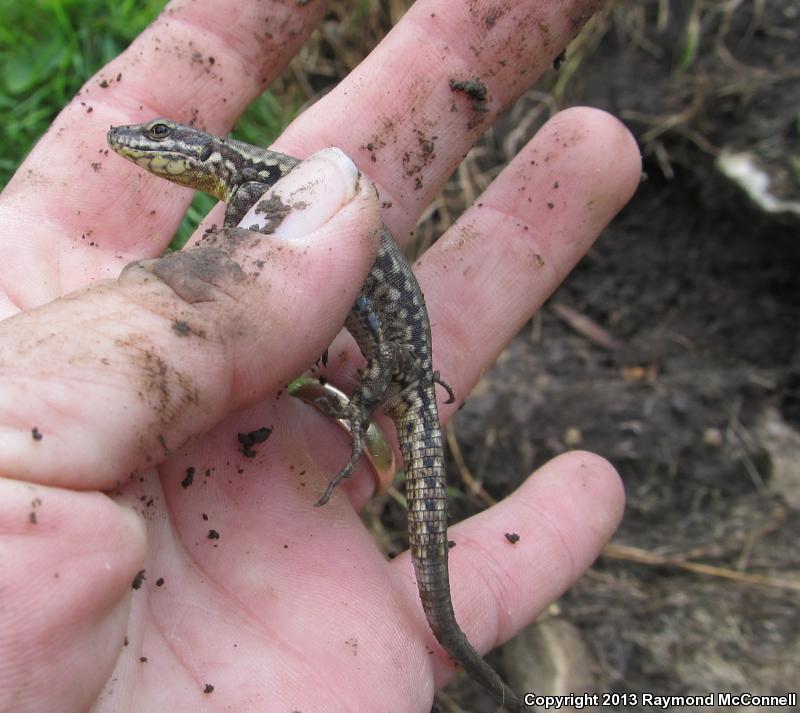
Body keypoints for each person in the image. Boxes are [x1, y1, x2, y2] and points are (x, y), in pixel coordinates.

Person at [0, 1, 637, 710]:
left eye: (158, 138)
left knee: (409, 476)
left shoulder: (247, 181)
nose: (145, 145)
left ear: (198, 152)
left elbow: (252, 260)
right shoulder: (241, 180)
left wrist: (351, 383)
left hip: (403, 360)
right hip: (395, 354)